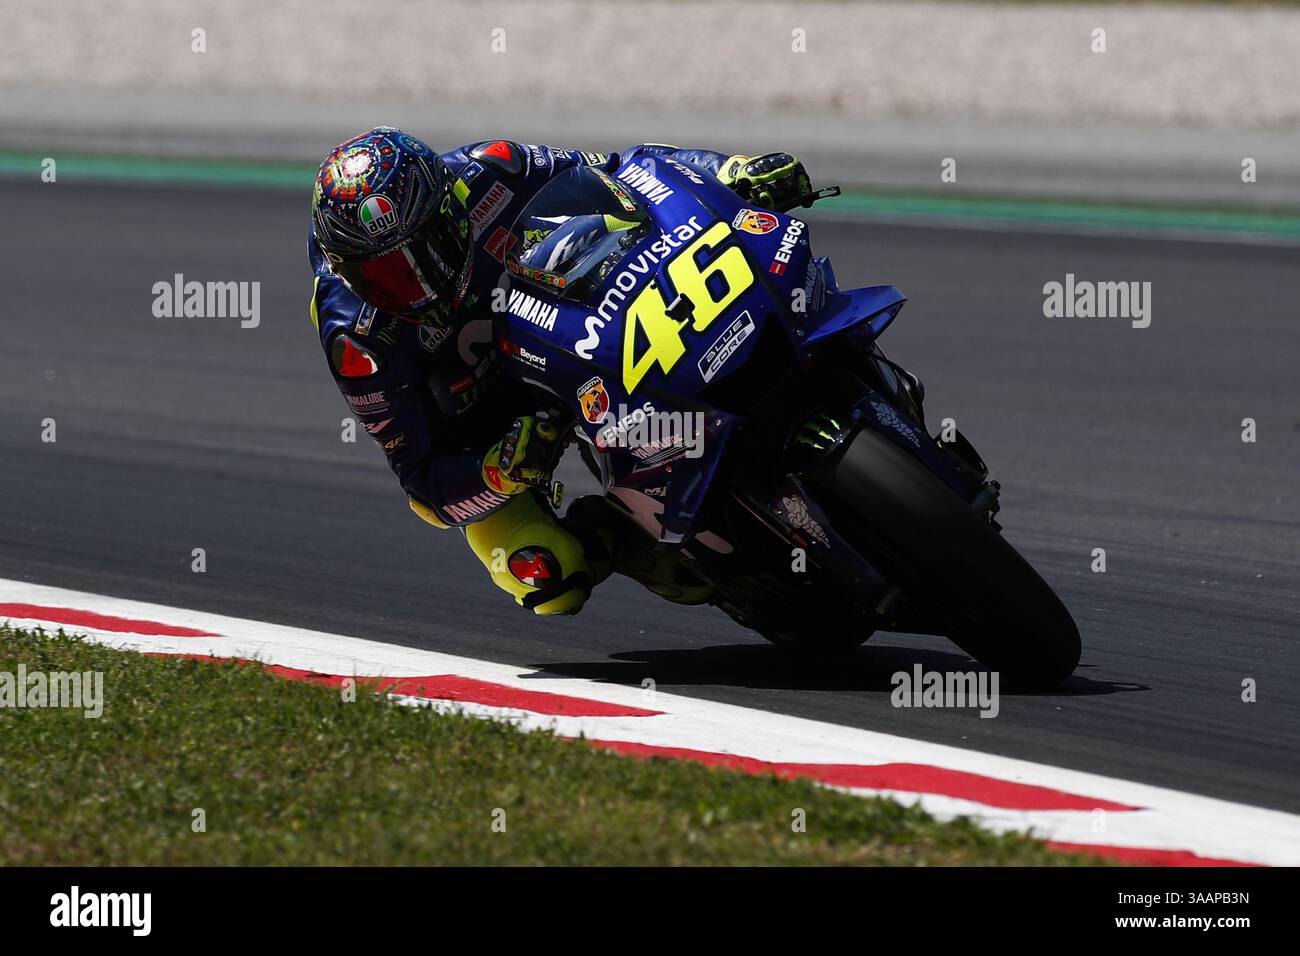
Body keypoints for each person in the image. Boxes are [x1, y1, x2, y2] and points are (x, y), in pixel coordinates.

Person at [309, 127, 812, 614]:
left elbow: (625, 171)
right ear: (347, 268)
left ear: (450, 208)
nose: (417, 284)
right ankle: (625, 539)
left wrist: (730, 171)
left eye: (426, 248)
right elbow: (423, 485)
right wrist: (497, 472)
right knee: (551, 579)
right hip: (494, 422)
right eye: (387, 274)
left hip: (570, 331)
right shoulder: (357, 342)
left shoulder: (493, 168)